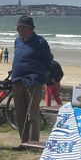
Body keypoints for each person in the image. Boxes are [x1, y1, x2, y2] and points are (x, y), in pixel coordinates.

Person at [11, 16, 52, 149]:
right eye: (18, 27)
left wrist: (39, 77)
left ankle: (33, 144)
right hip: (17, 81)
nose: (20, 29)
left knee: (32, 115)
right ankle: (23, 143)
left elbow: (48, 62)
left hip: (33, 83)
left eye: (23, 27)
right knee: (20, 115)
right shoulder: (17, 41)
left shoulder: (41, 42)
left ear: (31, 28)